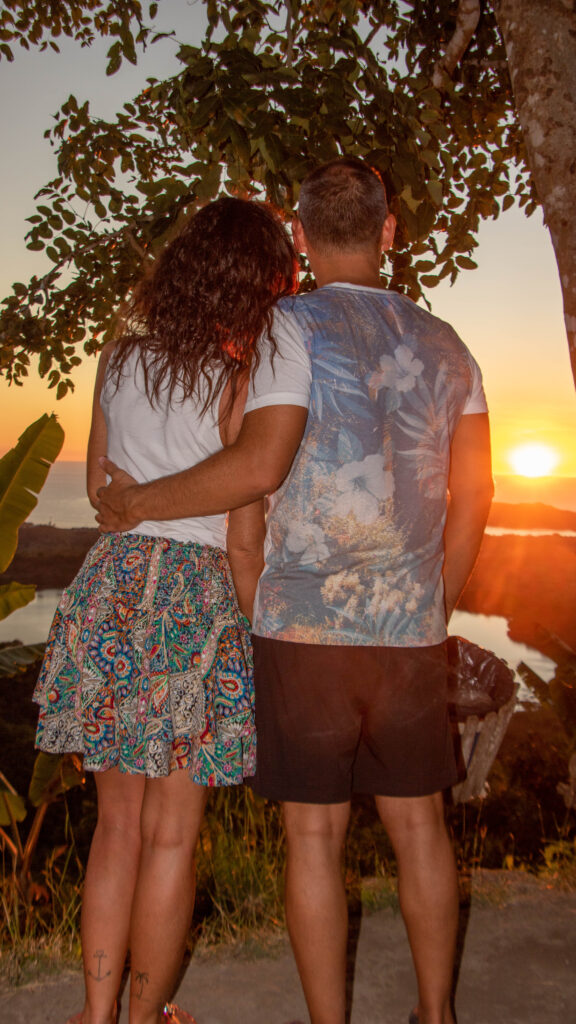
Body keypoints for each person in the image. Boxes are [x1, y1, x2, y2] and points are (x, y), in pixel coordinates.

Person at [95, 157, 494, 1024]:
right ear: (388, 230)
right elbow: (476, 495)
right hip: (407, 627)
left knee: (313, 837)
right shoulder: (449, 344)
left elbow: (256, 471)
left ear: (302, 238)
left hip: (304, 628)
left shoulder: (287, 326)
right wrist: (435, 602)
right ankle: (437, 1015)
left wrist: (195, 548)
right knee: (420, 826)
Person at [32, 196, 304, 1024]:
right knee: (172, 836)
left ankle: (96, 1012)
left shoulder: (117, 359)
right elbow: (244, 532)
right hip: (196, 599)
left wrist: (135, 503)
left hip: (113, 586)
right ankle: (147, 1017)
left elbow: (100, 490)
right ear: (255, 286)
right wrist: (262, 629)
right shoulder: (242, 381)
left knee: (115, 827)